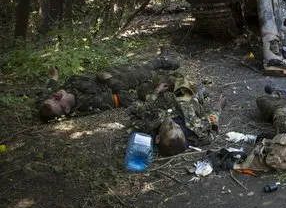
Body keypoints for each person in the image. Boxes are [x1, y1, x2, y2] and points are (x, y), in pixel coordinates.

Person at [38, 53, 180, 122]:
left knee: (137, 66)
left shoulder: (56, 95)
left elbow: (47, 92)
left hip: (112, 71)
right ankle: (164, 63)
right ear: (67, 109)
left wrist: (54, 76)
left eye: (52, 98)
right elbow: (125, 99)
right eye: (56, 101)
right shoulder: (92, 101)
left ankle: (161, 60)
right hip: (122, 81)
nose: (55, 96)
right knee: (147, 71)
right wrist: (108, 79)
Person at [130, 76, 226, 156]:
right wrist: (218, 107)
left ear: (158, 138)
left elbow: (140, 110)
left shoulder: (148, 126)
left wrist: (156, 91)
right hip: (185, 100)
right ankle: (200, 92)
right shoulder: (197, 133)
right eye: (177, 127)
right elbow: (211, 121)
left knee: (144, 86)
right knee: (178, 80)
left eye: (170, 128)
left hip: (159, 98)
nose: (173, 122)